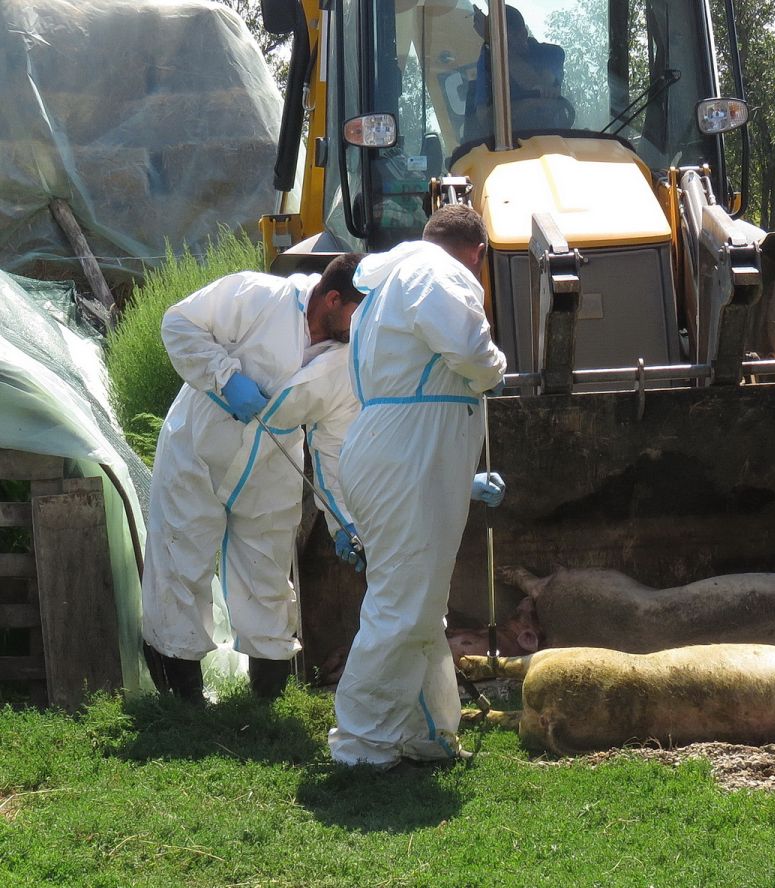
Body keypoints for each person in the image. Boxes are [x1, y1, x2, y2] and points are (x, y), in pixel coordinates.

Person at [142, 253, 367, 703]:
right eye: (357, 315)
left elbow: (331, 448)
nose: (362, 329)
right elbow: (180, 324)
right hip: (198, 448)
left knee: (266, 575)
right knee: (181, 564)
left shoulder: (349, 361)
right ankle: (183, 703)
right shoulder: (259, 296)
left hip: (272, 461)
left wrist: (344, 523)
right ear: (332, 299)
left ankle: (265, 702)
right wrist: (225, 379)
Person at [328, 203, 507, 767]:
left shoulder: (388, 286)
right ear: (477, 253)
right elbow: (473, 353)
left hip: (394, 453)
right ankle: (359, 745)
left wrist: (458, 477)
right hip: (408, 461)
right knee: (402, 610)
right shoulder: (437, 272)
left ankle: (426, 734)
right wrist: (495, 367)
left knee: (420, 608)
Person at [467, 4, 570, 138]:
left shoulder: (551, 54)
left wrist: (495, 42)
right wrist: (528, 104)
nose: (502, 50)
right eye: (500, 45)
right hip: (510, 148)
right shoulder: (488, 62)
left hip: (552, 140)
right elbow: (484, 118)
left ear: (523, 34)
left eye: (506, 44)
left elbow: (540, 89)